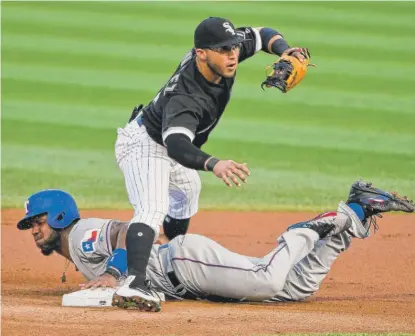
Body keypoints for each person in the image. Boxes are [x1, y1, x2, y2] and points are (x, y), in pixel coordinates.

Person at [114, 16, 313, 310]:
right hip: (145, 143)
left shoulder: (223, 57)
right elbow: (177, 146)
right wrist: (213, 163)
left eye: (233, 47)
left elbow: (260, 34)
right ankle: (134, 282)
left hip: (168, 142)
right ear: (201, 54)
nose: (232, 54)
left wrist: (285, 50)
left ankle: (161, 258)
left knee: (186, 192)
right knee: (152, 207)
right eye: (223, 49)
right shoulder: (187, 96)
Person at [17, 181, 414, 311]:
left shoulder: (83, 233)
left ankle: (312, 226)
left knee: (266, 280)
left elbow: (129, 230)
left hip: (185, 262)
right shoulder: (77, 250)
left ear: (56, 217)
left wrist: (113, 272)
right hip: (187, 279)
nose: (32, 230)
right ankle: (355, 214)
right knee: (298, 289)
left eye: (35, 222)